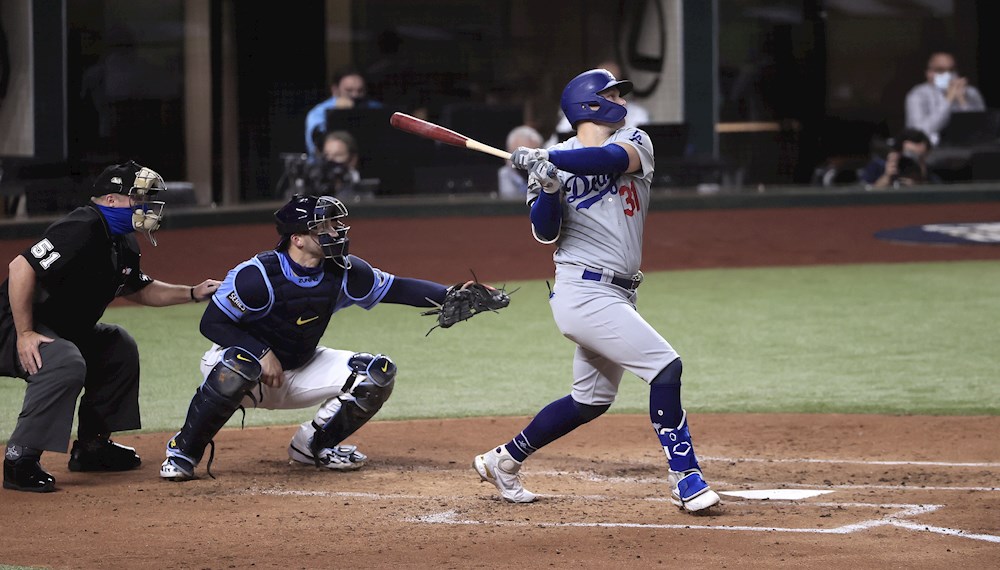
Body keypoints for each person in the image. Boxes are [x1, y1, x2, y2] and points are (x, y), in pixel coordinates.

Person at [472, 69, 720, 513]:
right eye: (611, 93)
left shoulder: (635, 142)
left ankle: (503, 461)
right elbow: (545, 233)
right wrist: (547, 187)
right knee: (666, 368)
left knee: (590, 401)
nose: (620, 100)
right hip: (581, 292)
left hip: (620, 292)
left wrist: (547, 159)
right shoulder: (551, 164)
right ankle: (686, 478)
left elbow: (605, 161)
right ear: (588, 104)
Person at [159, 194, 490, 481]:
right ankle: (183, 452)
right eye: (326, 226)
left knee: (377, 374)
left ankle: (312, 447)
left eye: (336, 224)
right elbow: (212, 324)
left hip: (299, 370)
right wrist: (260, 351)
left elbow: (398, 287)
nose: (337, 231)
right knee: (239, 366)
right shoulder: (256, 276)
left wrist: (451, 294)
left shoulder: (344, 271)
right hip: (242, 373)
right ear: (298, 238)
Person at [0, 160, 221, 493]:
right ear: (112, 199)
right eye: (139, 198)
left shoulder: (122, 240)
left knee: (116, 345)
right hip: (10, 326)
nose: (146, 206)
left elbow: (140, 288)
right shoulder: (83, 225)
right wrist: (26, 333)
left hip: (57, 328)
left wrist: (192, 293)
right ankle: (20, 460)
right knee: (63, 361)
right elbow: (21, 268)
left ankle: (93, 448)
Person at [548, 60, 651, 144]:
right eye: (610, 95)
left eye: (618, 94)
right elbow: (554, 144)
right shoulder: (579, 112)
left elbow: (617, 155)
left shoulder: (637, 121)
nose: (622, 101)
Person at [905, 52, 986, 146]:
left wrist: (963, 101)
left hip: (966, 147)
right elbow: (919, 132)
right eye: (940, 70)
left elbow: (982, 128)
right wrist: (948, 100)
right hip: (930, 150)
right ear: (929, 73)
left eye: (951, 70)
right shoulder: (917, 94)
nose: (948, 74)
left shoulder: (971, 92)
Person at [304, 66, 382, 157]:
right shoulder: (318, 113)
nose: (355, 95)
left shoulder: (375, 108)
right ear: (335, 90)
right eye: (349, 91)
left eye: (360, 91)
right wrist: (339, 114)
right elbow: (317, 149)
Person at [860, 128, 941, 189]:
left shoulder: (929, 173)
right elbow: (864, 195)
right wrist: (887, 177)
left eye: (919, 157)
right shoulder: (879, 165)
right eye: (910, 155)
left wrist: (919, 184)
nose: (911, 162)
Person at [497, 125, 544, 200]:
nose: (525, 163)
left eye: (532, 157)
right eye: (520, 157)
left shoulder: (549, 177)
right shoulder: (500, 177)